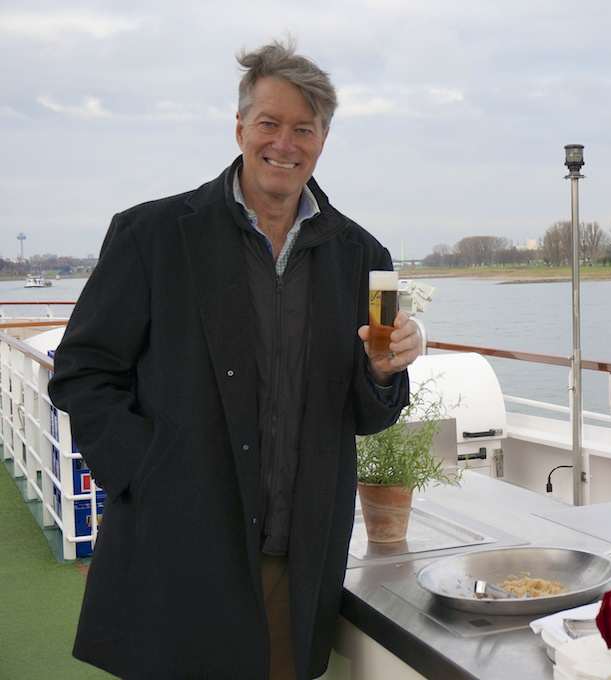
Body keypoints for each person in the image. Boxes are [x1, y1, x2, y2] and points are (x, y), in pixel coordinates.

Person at [47, 40, 421, 680]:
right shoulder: (154, 235)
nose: (285, 143)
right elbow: (83, 370)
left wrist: (385, 372)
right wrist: (144, 471)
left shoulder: (362, 255)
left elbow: (367, 414)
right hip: (178, 541)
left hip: (296, 554)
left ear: (323, 140)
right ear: (240, 126)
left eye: (304, 128)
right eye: (269, 123)